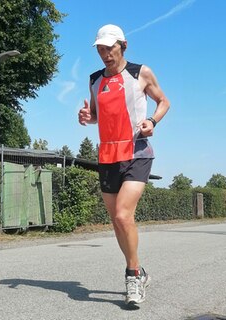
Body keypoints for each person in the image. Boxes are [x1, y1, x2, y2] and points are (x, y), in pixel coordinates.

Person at [78, 24, 170, 305]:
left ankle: (131, 277)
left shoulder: (140, 72)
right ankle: (139, 270)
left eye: (110, 48)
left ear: (123, 45)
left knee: (122, 215)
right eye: (101, 49)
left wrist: (152, 121)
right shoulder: (95, 79)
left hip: (137, 153)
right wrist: (86, 116)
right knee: (117, 223)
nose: (105, 54)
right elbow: (96, 115)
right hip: (107, 156)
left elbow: (164, 102)